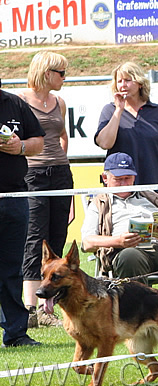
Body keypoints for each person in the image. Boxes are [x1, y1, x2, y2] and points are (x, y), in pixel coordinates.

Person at [81, 152, 158, 336]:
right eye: (119, 179)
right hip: (130, 253)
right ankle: (143, 327)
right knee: (130, 256)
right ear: (105, 178)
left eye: (128, 178)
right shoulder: (99, 203)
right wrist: (118, 241)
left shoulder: (149, 195)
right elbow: (87, 242)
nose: (124, 183)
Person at [20, 51, 71, 329]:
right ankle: (30, 308)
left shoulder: (59, 102)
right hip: (33, 175)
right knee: (35, 238)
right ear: (46, 72)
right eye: (61, 73)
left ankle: (47, 307)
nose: (64, 78)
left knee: (57, 237)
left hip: (61, 173)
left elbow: (63, 137)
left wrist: (59, 160)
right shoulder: (21, 101)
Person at [95, 62, 158, 210]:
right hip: (123, 192)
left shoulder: (157, 111)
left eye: (128, 80)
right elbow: (105, 143)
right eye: (119, 81)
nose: (123, 85)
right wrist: (119, 110)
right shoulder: (110, 111)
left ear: (140, 83)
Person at [0, 85, 45, 347]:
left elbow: (38, 142)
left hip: (15, 198)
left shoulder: (15, 104)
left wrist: (19, 147)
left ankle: (16, 333)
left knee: (12, 268)